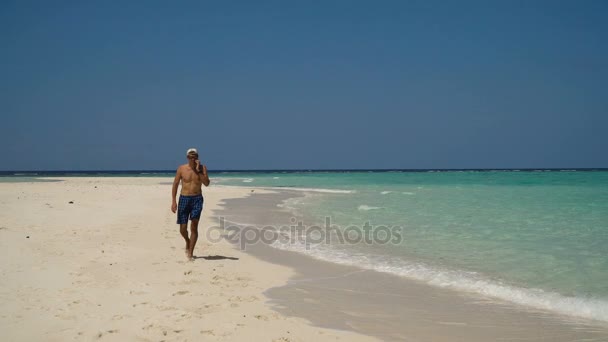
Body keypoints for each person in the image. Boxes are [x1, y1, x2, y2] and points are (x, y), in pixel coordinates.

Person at [171, 148, 210, 260]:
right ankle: (187, 241)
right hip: (184, 199)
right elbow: (175, 184)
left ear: (197, 157)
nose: (193, 158)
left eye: (195, 156)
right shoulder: (181, 169)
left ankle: (191, 253)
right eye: (191, 156)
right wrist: (174, 201)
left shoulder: (202, 168)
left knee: (194, 226)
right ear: (187, 157)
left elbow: (206, 183)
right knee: (183, 229)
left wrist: (198, 171)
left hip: (197, 199)